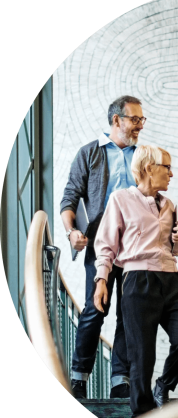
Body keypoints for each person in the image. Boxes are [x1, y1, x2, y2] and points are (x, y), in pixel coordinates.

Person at [93, 145, 178, 418]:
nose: (171, 174)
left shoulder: (170, 205)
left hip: (172, 280)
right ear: (149, 168)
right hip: (138, 281)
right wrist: (101, 279)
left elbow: (172, 250)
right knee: (141, 356)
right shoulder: (120, 199)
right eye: (167, 167)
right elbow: (106, 245)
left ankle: (164, 385)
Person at [60, 95, 145, 399]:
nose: (139, 125)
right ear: (116, 120)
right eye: (134, 119)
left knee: (128, 311)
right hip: (100, 243)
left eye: (141, 120)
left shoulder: (143, 155)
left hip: (136, 245)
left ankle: (120, 379)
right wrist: (72, 232)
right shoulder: (90, 154)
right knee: (96, 309)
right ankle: (79, 376)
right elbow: (70, 198)